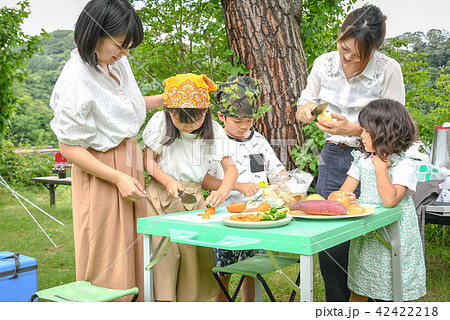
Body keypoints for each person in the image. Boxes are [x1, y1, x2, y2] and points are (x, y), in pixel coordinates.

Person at [49, 0, 164, 301]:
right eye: (120, 45)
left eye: (128, 47)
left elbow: (127, 109)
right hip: (101, 170)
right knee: (109, 261)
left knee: (139, 252)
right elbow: (68, 146)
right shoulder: (75, 79)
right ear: (94, 33)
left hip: (129, 160)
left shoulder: (116, 60)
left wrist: (173, 96)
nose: (125, 53)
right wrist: (117, 177)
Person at [295, 4, 405, 302]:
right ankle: (337, 306)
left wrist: (355, 130)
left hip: (374, 160)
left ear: (373, 49)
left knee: (373, 237)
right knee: (332, 242)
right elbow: (305, 101)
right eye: (343, 47)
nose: (345, 57)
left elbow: (394, 127)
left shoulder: (388, 70)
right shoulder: (323, 63)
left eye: (355, 54)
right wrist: (305, 110)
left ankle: (379, 303)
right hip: (332, 157)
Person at [142, 73, 238, 302]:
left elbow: (230, 169)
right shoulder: (159, 122)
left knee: (191, 265)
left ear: (205, 112)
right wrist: (167, 181)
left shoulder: (213, 129)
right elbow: (148, 161)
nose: (189, 127)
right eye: (181, 122)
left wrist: (221, 192)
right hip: (159, 199)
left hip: (193, 203)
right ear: (169, 112)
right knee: (163, 262)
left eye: (194, 122)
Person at [202, 76, 286, 302]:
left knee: (252, 269)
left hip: (255, 217)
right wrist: (238, 186)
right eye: (237, 121)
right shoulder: (214, 141)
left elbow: (276, 170)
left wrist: (285, 182)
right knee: (224, 271)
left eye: (248, 120)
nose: (244, 126)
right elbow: (205, 180)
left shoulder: (257, 140)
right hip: (225, 216)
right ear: (221, 116)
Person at [339, 99, 426, 301]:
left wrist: (380, 167)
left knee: (401, 290)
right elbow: (341, 195)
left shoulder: (404, 165)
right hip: (369, 234)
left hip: (396, 236)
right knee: (360, 288)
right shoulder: (361, 161)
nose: (360, 136)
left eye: (365, 131)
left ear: (383, 132)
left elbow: (390, 200)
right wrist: (347, 200)